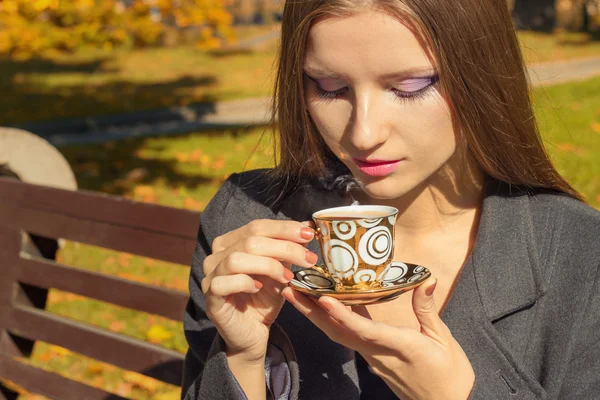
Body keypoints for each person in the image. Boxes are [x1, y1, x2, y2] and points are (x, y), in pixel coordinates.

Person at [181, 0, 600, 398]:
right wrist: (242, 361)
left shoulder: (579, 255)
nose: (363, 134)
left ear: (482, 75)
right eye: (331, 87)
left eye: (410, 86)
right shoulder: (243, 221)